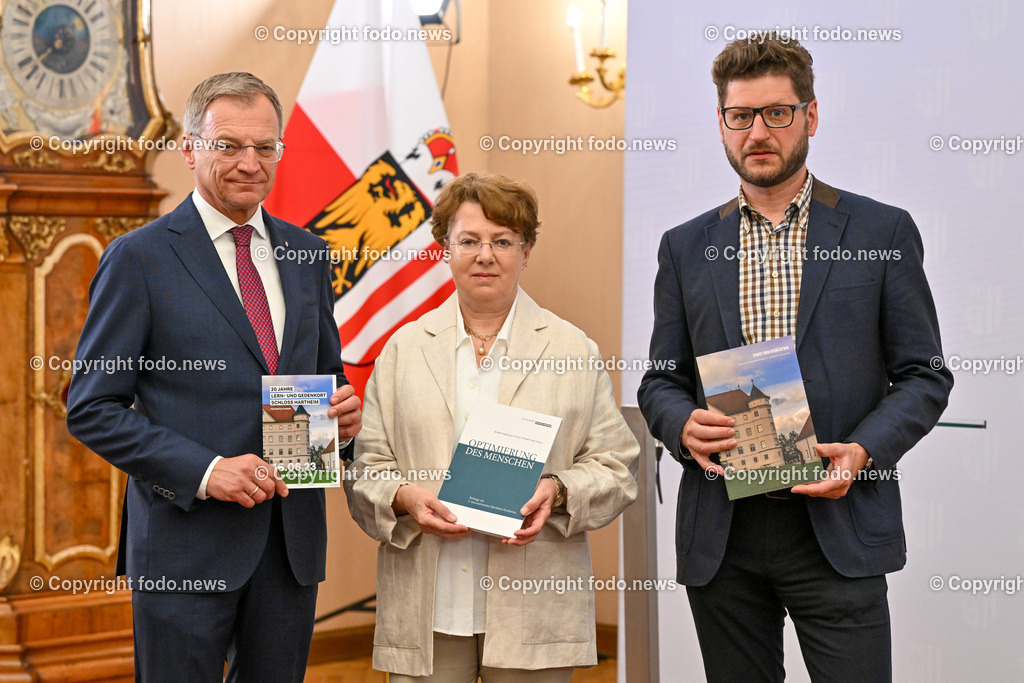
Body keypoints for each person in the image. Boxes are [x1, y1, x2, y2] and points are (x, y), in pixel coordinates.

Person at [637, 36, 953, 682]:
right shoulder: (686, 247)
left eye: (777, 113)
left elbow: (924, 374)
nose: (758, 131)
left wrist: (863, 452)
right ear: (722, 124)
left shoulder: (879, 232)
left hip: (837, 528)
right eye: (740, 115)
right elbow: (661, 380)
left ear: (810, 116)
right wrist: (679, 423)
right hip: (723, 537)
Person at [66, 72, 362, 682]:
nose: (249, 162)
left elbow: (321, 382)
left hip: (288, 550)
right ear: (190, 148)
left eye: (265, 147)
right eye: (228, 145)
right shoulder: (139, 258)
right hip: (184, 548)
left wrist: (344, 422)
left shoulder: (308, 255)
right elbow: (92, 407)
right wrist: (205, 472)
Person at [344, 172, 639, 681]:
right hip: (429, 606)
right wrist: (406, 498)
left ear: (525, 252)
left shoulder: (572, 349)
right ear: (443, 248)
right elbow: (365, 469)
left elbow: (617, 467)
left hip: (536, 600)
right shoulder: (401, 350)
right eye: (469, 240)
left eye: (503, 241)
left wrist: (559, 490)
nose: (486, 255)